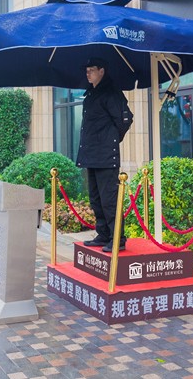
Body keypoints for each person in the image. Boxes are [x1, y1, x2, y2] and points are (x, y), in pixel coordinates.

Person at [76, 57, 133, 252]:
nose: (88, 73)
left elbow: (125, 120)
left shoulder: (111, 92)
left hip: (106, 156)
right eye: (87, 70)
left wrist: (111, 141)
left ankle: (117, 239)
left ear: (102, 71)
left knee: (109, 200)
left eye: (91, 70)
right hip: (91, 155)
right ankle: (103, 234)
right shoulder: (91, 93)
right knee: (96, 198)